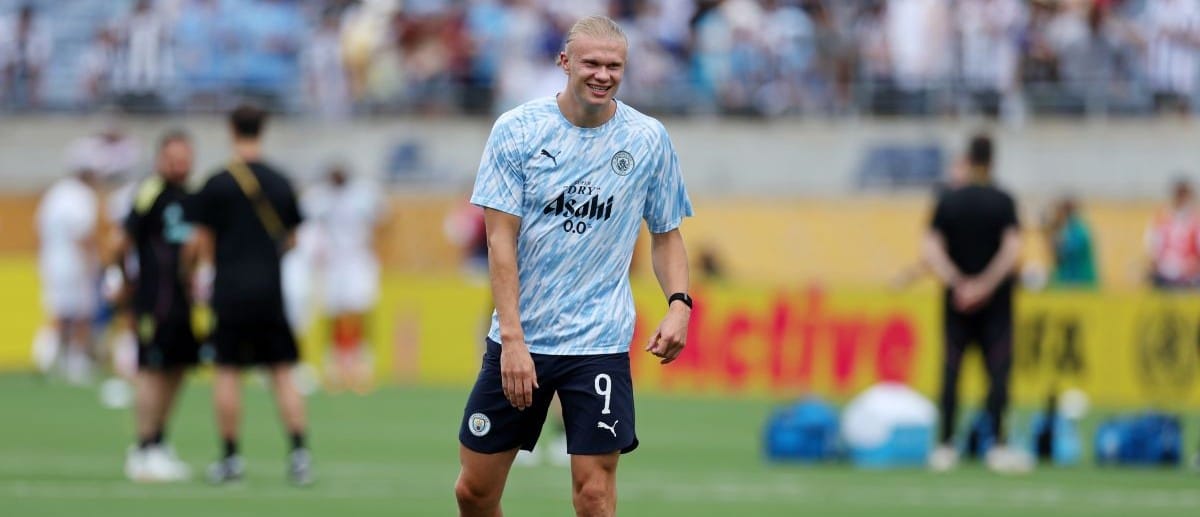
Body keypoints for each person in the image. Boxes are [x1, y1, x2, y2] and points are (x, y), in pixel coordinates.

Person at [454, 15, 693, 516]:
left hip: (599, 343)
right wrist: (513, 341)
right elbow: (501, 243)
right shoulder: (517, 131)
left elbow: (667, 236)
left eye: (614, 66)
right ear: (565, 63)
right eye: (591, 63)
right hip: (520, 341)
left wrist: (679, 304)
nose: (602, 74)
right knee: (473, 493)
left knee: (594, 496)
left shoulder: (648, 139)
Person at [185, 105, 312, 486]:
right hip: (269, 289)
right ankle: (299, 454)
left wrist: (204, 275)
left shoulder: (216, 182)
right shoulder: (280, 181)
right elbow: (291, 237)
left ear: (231, 129)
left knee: (227, 371)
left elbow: (202, 241)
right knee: (282, 371)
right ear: (264, 129)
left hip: (229, 290)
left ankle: (230, 457)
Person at [922, 133, 1031, 473]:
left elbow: (930, 249)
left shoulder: (948, 200)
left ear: (968, 159)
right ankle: (997, 445)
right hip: (995, 303)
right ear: (993, 160)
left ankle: (945, 445)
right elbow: (1013, 249)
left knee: (951, 371)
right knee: (997, 372)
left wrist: (959, 283)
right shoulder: (1003, 201)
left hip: (956, 302)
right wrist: (985, 285)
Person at [107, 130, 199, 482]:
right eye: (173, 157)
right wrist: (123, 280)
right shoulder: (149, 193)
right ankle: (143, 447)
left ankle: (159, 441)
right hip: (154, 299)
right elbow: (119, 242)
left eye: (185, 157)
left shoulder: (191, 196)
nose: (180, 163)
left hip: (182, 300)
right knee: (151, 371)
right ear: (160, 158)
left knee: (177, 370)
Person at [302, 164, 382, 393]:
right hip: (333, 263)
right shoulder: (318, 198)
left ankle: (362, 364)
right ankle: (333, 365)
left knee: (361, 312)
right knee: (332, 314)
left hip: (358, 259)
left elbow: (385, 219)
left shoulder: (363, 195)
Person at [34, 152, 101, 385]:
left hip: (50, 261)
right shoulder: (82, 196)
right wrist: (93, 262)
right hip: (73, 263)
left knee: (58, 312)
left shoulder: (55, 193)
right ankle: (75, 365)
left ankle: (44, 358)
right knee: (83, 313)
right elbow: (81, 234)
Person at [1145, 178, 1200, 289]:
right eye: (1180, 194)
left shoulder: (1195, 221)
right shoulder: (1161, 219)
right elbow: (1153, 249)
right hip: (1166, 271)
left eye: (1184, 195)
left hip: (1190, 271)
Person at [1044, 196, 1098, 288]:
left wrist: (1050, 236)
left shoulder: (1076, 230)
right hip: (1073, 279)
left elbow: (1063, 253)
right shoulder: (1073, 229)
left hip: (1079, 281)